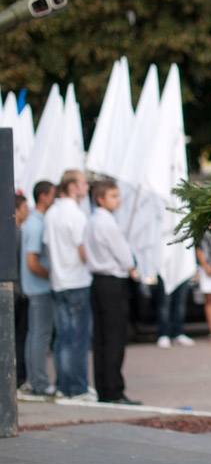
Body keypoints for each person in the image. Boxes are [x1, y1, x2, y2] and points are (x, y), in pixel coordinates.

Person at [83, 180, 141, 404]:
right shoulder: (107, 224)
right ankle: (114, 390)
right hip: (112, 282)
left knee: (102, 339)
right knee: (114, 338)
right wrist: (132, 267)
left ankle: (104, 387)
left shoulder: (92, 221)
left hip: (98, 281)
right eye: (113, 196)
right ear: (100, 198)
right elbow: (125, 257)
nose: (118, 200)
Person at [44, 170, 94, 400]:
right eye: (83, 183)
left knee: (63, 337)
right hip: (76, 280)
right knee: (78, 337)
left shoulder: (52, 212)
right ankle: (78, 387)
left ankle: (63, 385)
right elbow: (84, 249)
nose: (87, 187)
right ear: (72, 186)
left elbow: (47, 245)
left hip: (58, 280)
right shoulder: (75, 214)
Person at [19, 181, 56, 398]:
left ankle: (35, 380)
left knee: (35, 334)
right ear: (43, 196)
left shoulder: (33, 221)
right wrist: (52, 275)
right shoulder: (36, 223)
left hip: (35, 287)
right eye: (52, 195)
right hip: (39, 288)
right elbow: (32, 262)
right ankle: (39, 382)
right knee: (40, 335)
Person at [14, 194, 30, 389]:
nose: (27, 211)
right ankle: (19, 374)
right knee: (20, 335)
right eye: (25, 208)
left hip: (18, 290)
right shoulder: (16, 233)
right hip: (19, 291)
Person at [156, 273, 196, 348]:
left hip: (183, 273)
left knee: (180, 304)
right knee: (165, 304)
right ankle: (164, 334)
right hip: (165, 271)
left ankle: (178, 332)